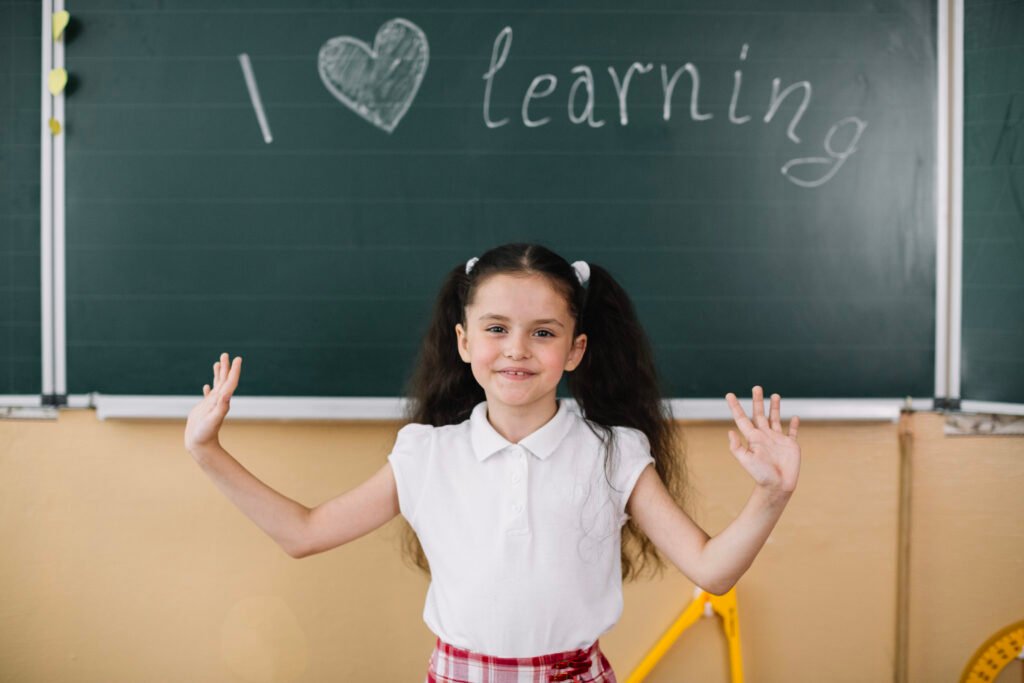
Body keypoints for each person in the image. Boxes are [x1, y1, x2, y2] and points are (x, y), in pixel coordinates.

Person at [184, 242, 801, 682]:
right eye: (497, 328)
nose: (516, 350)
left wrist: (771, 494)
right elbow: (303, 533)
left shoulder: (613, 452)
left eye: (543, 332)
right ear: (464, 341)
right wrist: (207, 451)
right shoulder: (426, 453)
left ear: (576, 348)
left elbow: (711, 569)